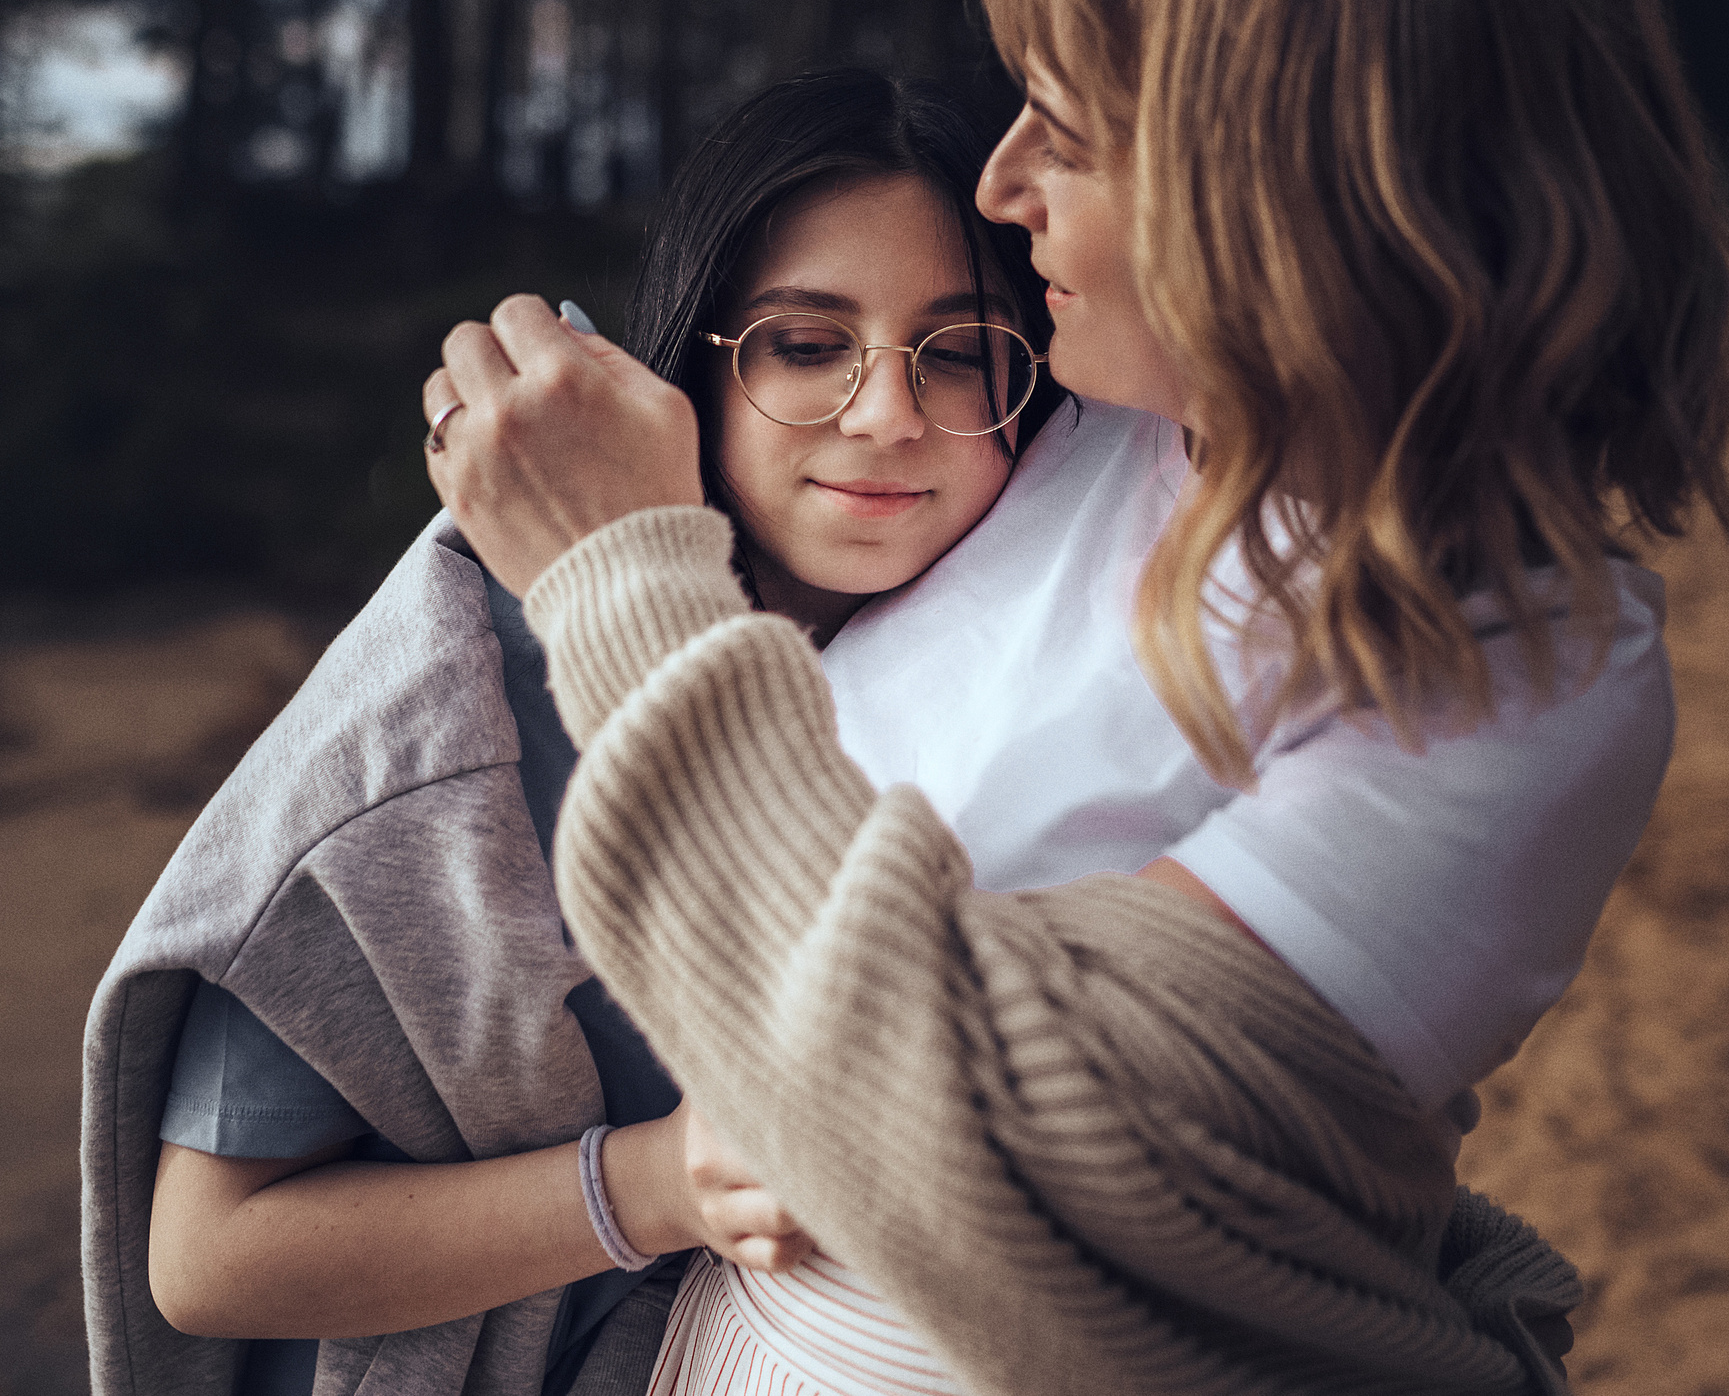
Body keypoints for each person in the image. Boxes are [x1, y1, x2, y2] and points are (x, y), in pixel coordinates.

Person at [421, 0, 1729, 1396]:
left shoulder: (1519, 660)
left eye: (1074, 126)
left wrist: (621, 574)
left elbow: (994, 1161)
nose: (1001, 183)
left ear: (1284, 169)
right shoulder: (1073, 424)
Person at [79, 67, 1062, 1396]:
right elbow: (207, 1257)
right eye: (807, 344)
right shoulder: (473, 708)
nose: (889, 414)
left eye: (958, 354)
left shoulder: (1014, 644)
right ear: (695, 371)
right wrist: (652, 1187)